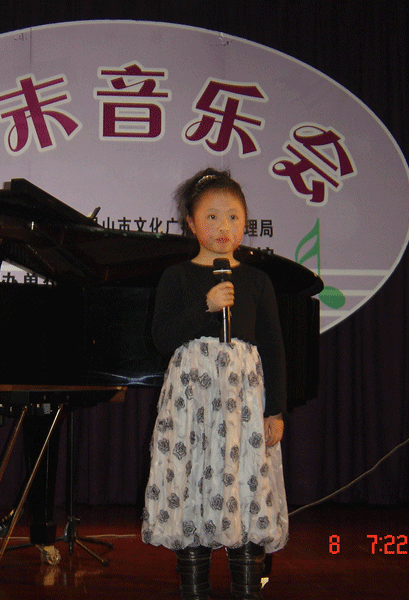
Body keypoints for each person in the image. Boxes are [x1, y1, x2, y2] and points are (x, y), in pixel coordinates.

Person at [141, 168, 289, 600]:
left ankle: (247, 586)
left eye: (233, 217)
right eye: (211, 217)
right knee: (192, 483)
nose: (223, 226)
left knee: (246, 483)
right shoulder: (177, 277)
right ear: (191, 222)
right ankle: (195, 587)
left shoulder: (257, 281)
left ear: (245, 223)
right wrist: (204, 307)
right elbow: (161, 339)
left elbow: (274, 349)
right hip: (192, 405)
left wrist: (275, 409)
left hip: (243, 406)